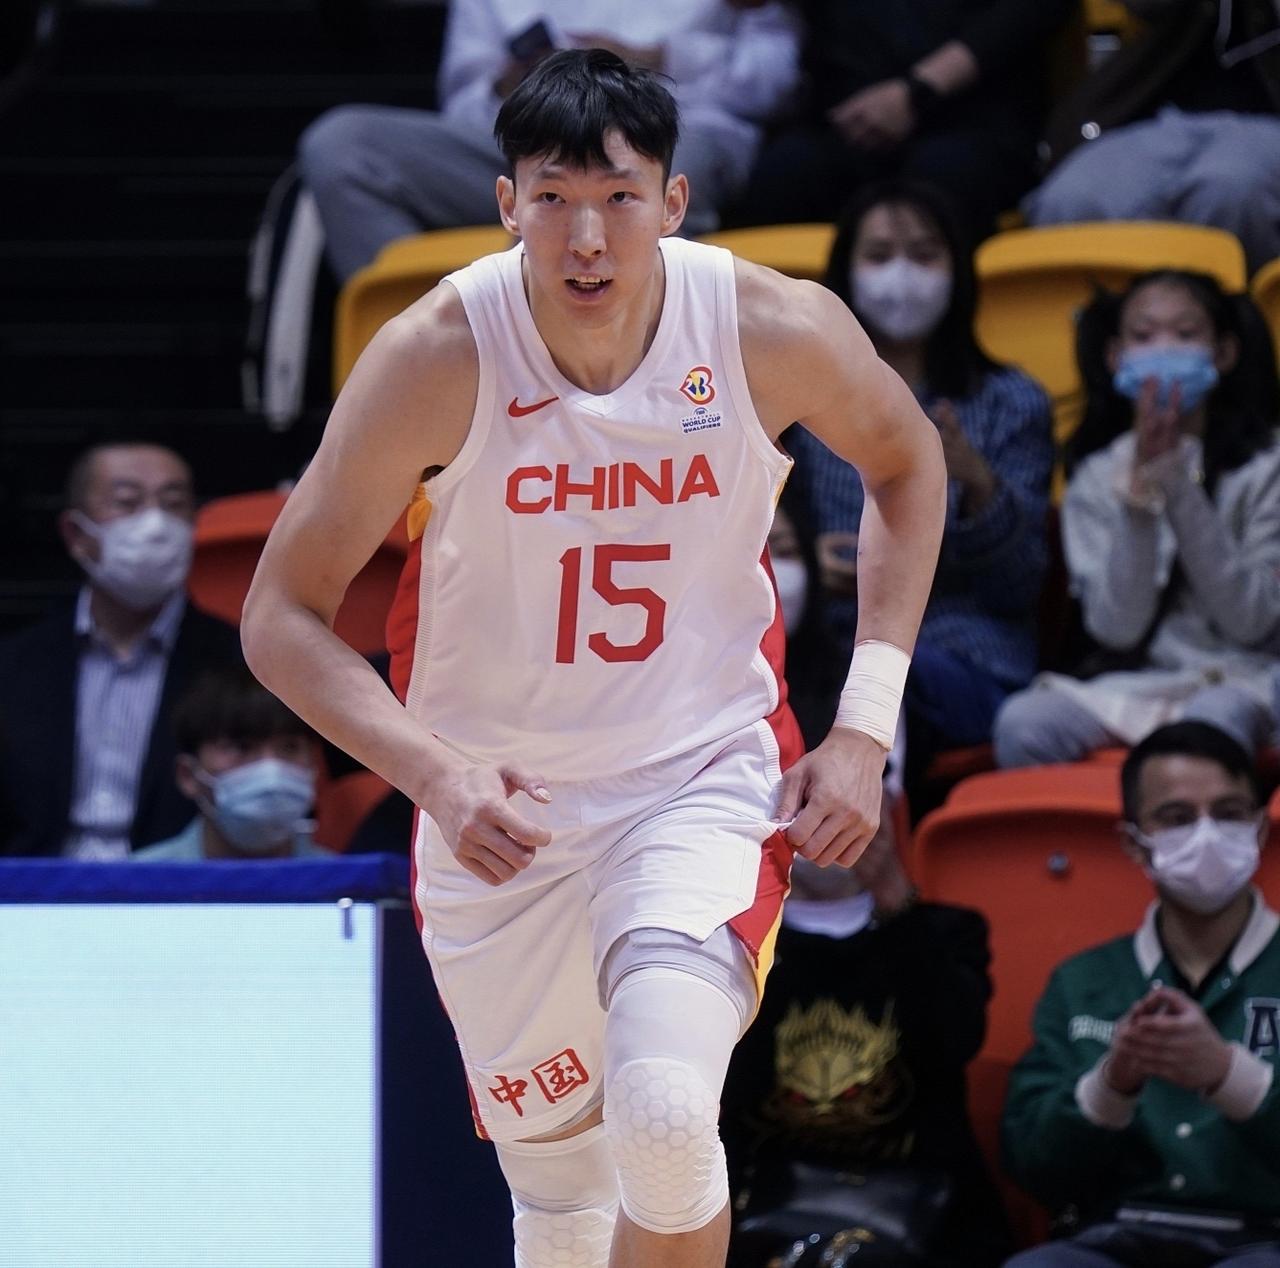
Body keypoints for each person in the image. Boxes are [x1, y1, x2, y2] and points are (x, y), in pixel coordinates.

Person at [241, 49, 945, 1268]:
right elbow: (280, 616)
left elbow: (905, 461)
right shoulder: (435, 353)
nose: (585, 239)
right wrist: (436, 775)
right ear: (504, 203)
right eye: (553, 198)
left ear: (672, 202)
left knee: (664, 1116)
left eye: (618, 198)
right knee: (563, 1208)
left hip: (694, 775)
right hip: (497, 814)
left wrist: (863, 724)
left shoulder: (764, 326)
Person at [784, 180, 1053, 794]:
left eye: (924, 255)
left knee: (875, 687)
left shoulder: (1012, 403)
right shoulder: (804, 399)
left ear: (958, 271)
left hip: (963, 655)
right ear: (845, 272)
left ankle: (865, 829)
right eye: (879, 255)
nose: (901, 275)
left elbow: (1021, 585)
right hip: (826, 641)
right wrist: (808, 563)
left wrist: (976, 481)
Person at [1001, 720, 1280, 1266]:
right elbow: (1032, 1168)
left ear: (1259, 831)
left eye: (1229, 813)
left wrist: (1227, 1075)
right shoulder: (1082, 981)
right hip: (1114, 1236)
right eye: (1177, 818)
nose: (1206, 835)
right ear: (1134, 843)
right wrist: (1111, 1084)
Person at [994, 269, 1280, 768]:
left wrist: (1177, 485)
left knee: (1211, 725)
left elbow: (1251, 621)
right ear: (1114, 357)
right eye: (1144, 336)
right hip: (1137, 681)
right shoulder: (1095, 477)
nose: (1164, 350)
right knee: (1024, 722)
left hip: (1241, 678)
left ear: (1224, 353)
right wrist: (1140, 499)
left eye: (1185, 334)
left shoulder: (1267, 467)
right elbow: (1116, 629)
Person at [300, 0, 803, 282]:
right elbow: (465, 100)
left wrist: (659, 59)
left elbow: (779, 81)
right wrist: (516, 83)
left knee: (641, 169)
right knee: (343, 145)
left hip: (676, 122)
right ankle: (434, 357)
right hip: (531, 135)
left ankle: (640, 380)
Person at [720, 789, 1010, 1268]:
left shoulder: (947, 932)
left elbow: (954, 1039)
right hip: (766, 1203)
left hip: (921, 1208)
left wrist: (896, 901)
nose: (829, 822)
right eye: (810, 806)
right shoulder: (737, 945)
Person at [0, 442, 242, 859]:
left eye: (173, 504)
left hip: (181, 887)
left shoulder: (240, 662)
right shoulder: (14, 668)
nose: (155, 524)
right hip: (34, 889)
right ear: (76, 534)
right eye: (127, 503)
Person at [730, 0, 1075, 244]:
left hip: (973, 122)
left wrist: (918, 90)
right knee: (783, 174)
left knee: (940, 181)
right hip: (845, 124)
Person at [1026, 0, 1280, 272]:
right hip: (1165, 113)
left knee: (1226, 191)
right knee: (1071, 200)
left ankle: (1215, 300)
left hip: (1266, 117)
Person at [132, 664, 332, 862]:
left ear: (315, 766)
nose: (270, 770)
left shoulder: (343, 880)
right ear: (188, 775)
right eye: (242, 747)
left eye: (290, 747)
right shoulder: (138, 880)